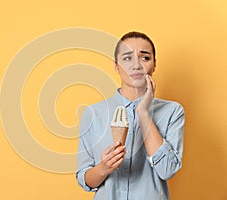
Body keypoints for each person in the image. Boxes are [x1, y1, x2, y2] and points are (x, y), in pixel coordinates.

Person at [76, 31, 185, 200]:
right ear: (116, 66)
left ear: (154, 64)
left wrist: (143, 112)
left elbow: (167, 170)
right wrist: (104, 168)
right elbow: (85, 179)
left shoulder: (172, 111)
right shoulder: (93, 113)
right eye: (127, 58)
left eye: (145, 58)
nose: (136, 65)